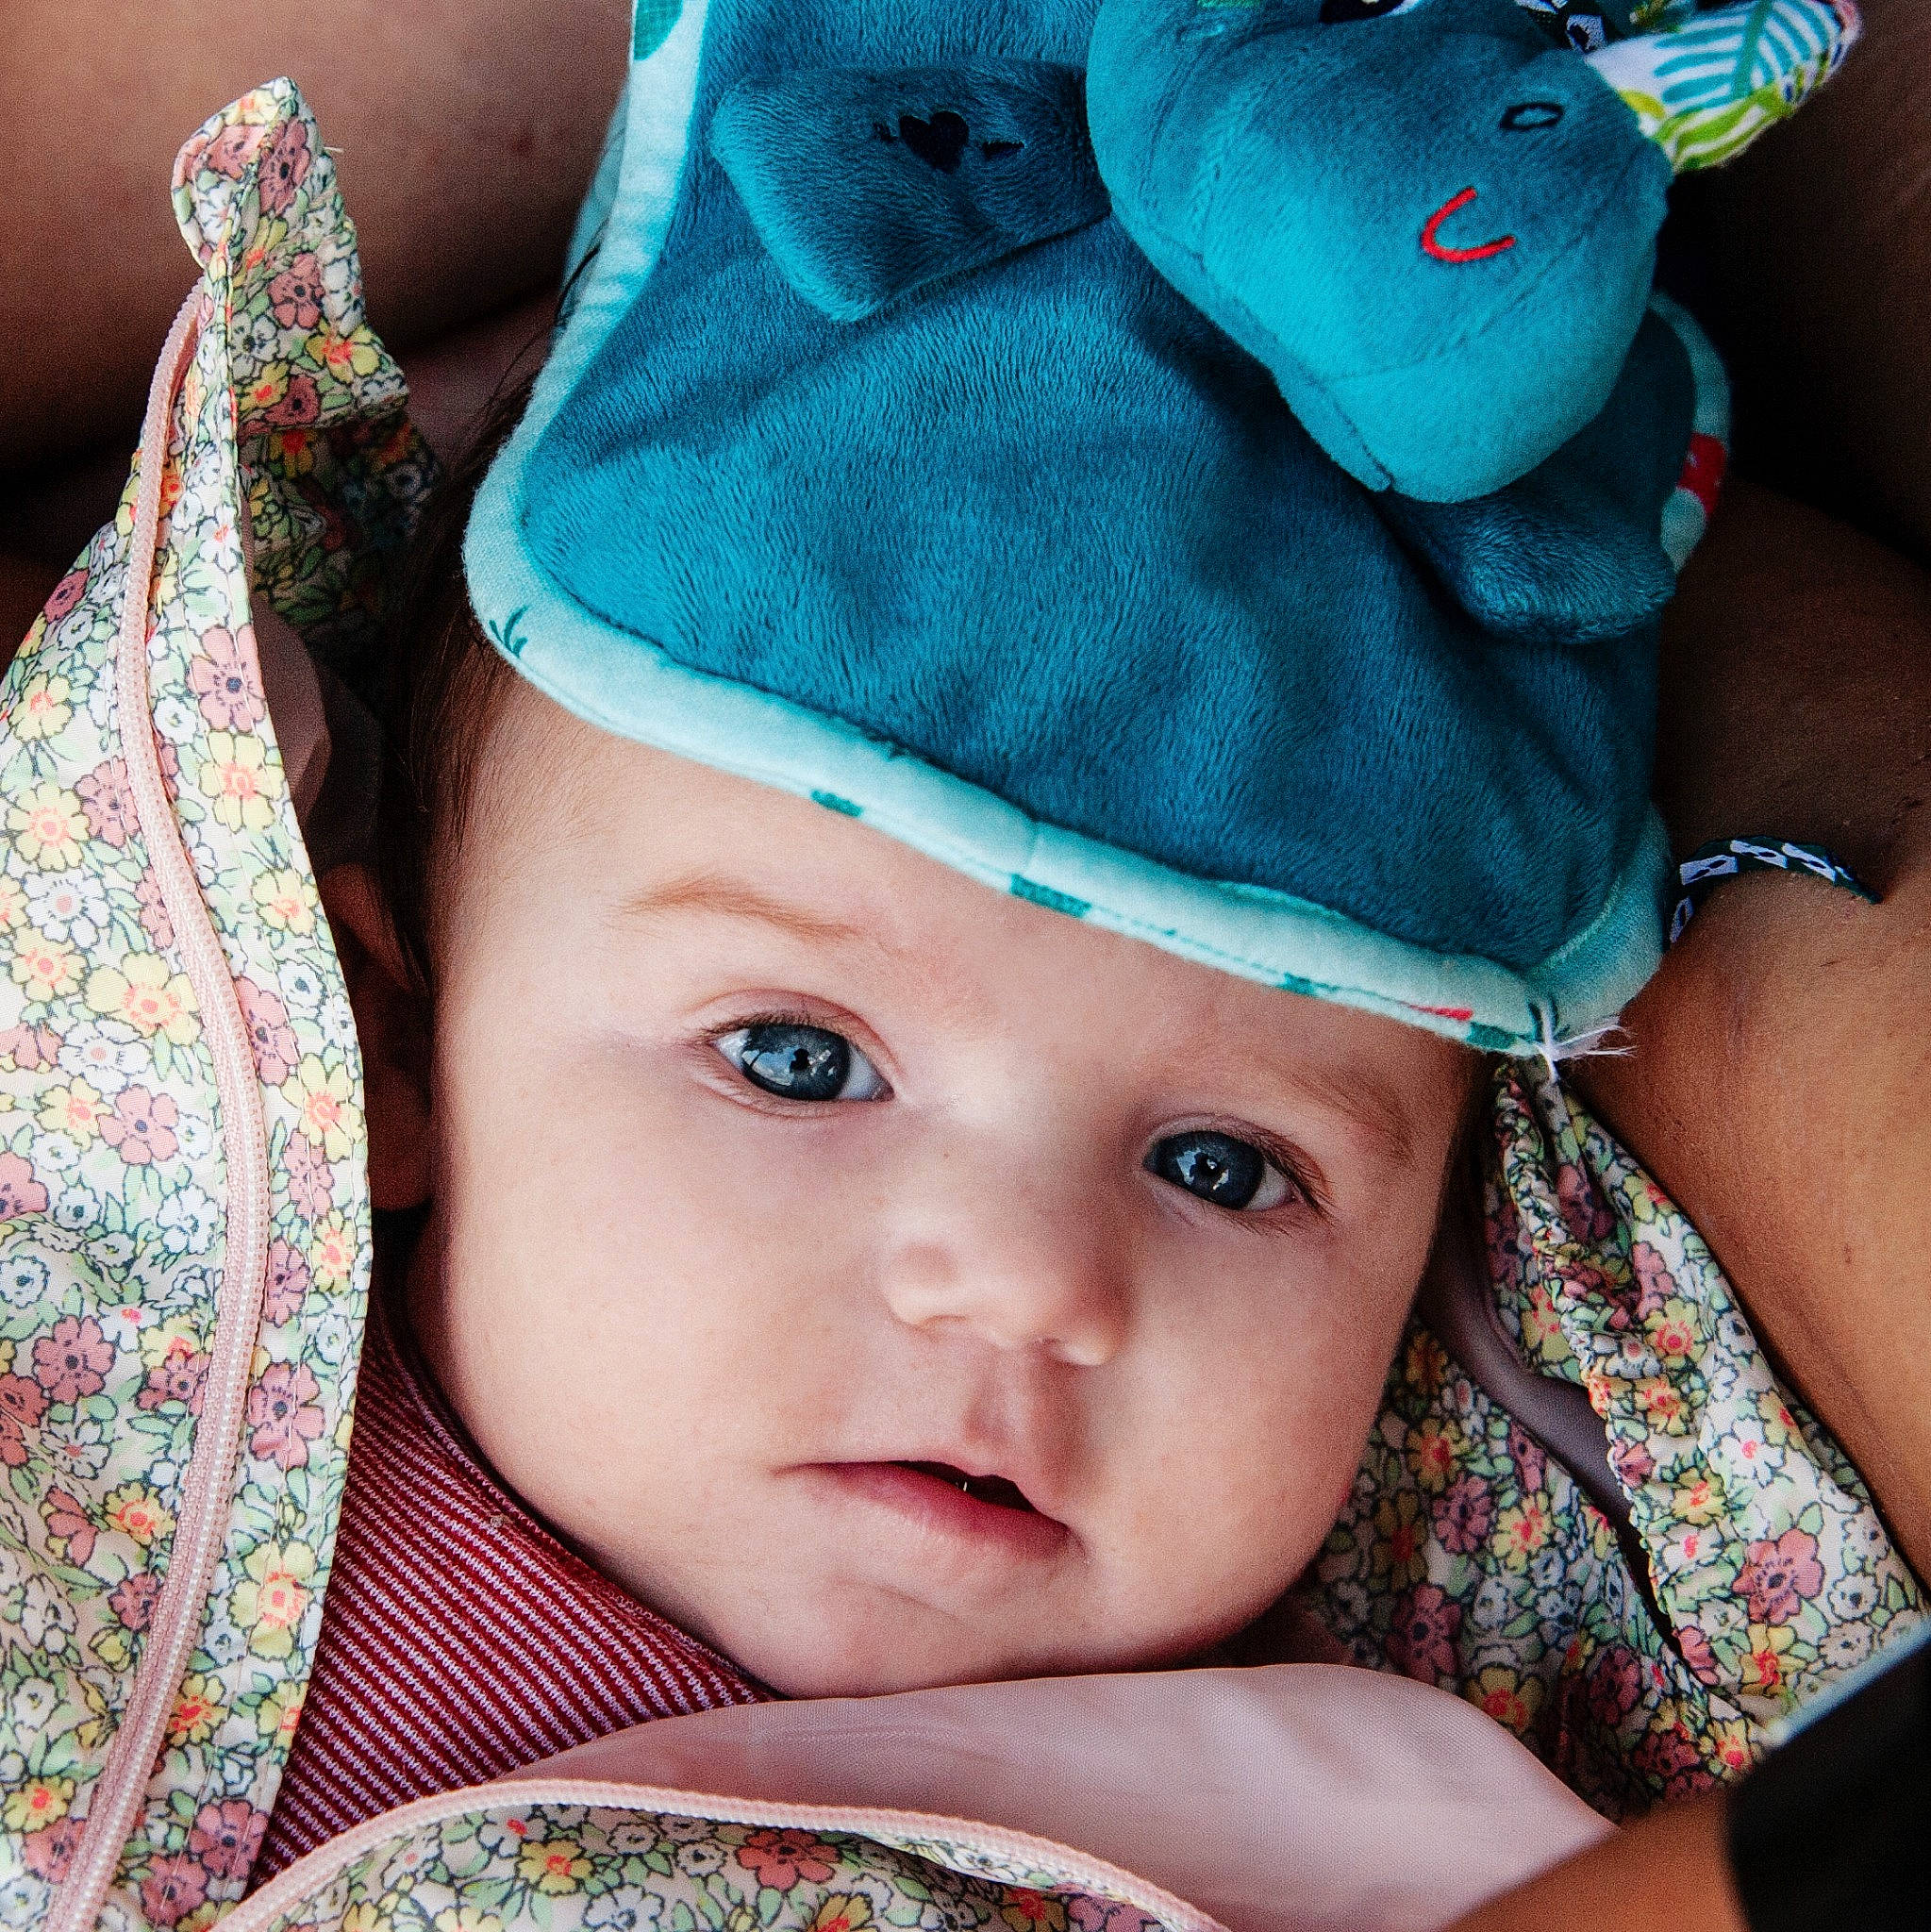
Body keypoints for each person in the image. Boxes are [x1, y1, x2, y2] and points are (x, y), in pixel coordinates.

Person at [0, 3, 1923, 1927]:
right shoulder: (85, 1232)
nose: (1023, 1282)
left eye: (1223, 1167)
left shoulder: (1449, 1816)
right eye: (795, 1057)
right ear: (390, 1048)